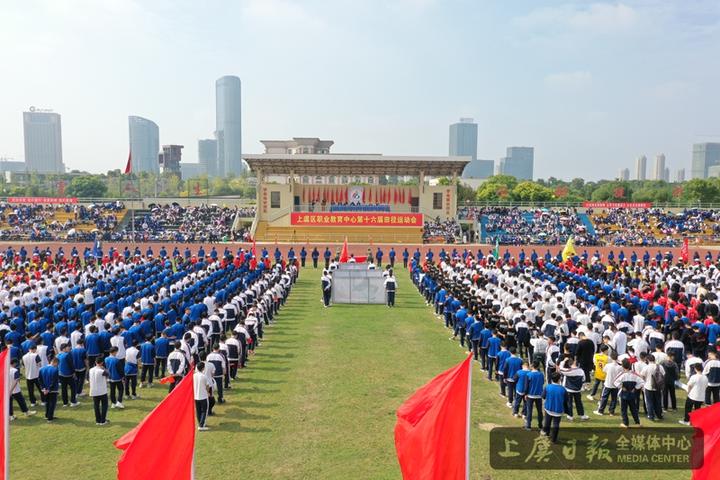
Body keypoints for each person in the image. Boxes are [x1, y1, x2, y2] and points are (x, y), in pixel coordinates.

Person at [615, 358, 644, 428]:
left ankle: (625, 423)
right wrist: (635, 388)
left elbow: (615, 382)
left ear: (622, 366)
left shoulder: (622, 374)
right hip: (632, 394)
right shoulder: (634, 374)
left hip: (624, 394)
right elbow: (642, 382)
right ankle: (638, 422)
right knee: (633, 409)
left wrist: (621, 386)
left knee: (623, 410)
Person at [542, 372, 566, 443]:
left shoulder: (547, 387)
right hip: (558, 410)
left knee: (547, 422)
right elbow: (566, 400)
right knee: (556, 424)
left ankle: (547, 433)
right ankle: (554, 439)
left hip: (548, 408)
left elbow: (543, 396)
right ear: (559, 379)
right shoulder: (563, 389)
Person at [57, 343, 79, 407]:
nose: (69, 348)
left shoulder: (58, 355)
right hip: (68, 374)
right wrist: (74, 372)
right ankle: (73, 401)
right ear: (64, 348)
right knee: (73, 387)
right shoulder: (67, 355)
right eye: (67, 347)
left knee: (64, 389)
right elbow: (71, 364)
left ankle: (65, 403)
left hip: (61, 374)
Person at [89, 357, 109, 425]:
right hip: (102, 391)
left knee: (96, 406)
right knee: (104, 405)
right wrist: (103, 368)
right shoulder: (101, 371)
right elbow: (108, 374)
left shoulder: (91, 370)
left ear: (95, 362)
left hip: (94, 390)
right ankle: (103, 420)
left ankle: (98, 420)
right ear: (102, 363)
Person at [524, 360, 545, 430]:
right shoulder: (541, 374)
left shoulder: (529, 375)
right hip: (539, 395)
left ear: (532, 366)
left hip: (530, 395)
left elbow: (526, 386)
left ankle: (528, 426)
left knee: (529, 411)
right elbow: (542, 383)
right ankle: (540, 425)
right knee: (539, 411)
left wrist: (525, 394)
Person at [38, 357, 60, 422]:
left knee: (47, 402)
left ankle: (47, 415)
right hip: (53, 389)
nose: (57, 365)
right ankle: (50, 417)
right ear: (55, 362)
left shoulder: (41, 369)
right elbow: (54, 381)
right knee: (52, 403)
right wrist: (49, 389)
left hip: (45, 390)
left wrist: (43, 388)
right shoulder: (55, 370)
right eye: (57, 364)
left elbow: (40, 380)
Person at [193, 362, 211, 431]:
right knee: (204, 411)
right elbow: (207, 386)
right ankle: (201, 425)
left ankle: (200, 423)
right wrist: (208, 392)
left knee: (198, 410)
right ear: (203, 368)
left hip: (196, 396)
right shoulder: (204, 376)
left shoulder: (194, 375)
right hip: (203, 396)